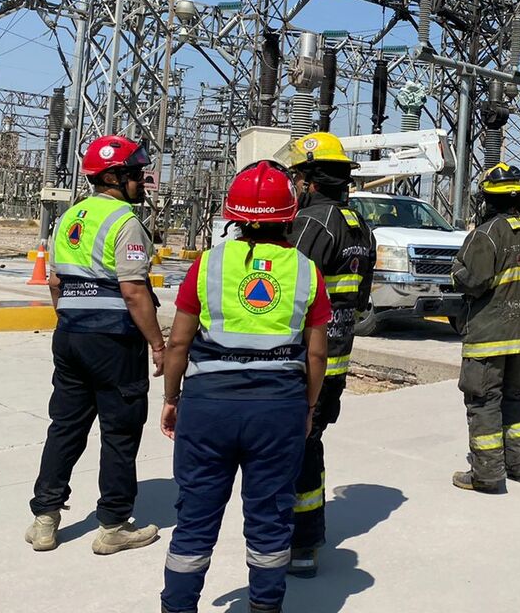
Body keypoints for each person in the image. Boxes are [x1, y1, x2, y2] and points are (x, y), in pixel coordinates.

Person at [159, 161, 330, 613]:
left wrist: (171, 398)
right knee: (271, 520)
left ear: (231, 215)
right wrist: (308, 407)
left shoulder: (207, 265)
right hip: (278, 410)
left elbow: (178, 341)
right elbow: (316, 356)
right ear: (290, 214)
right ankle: (265, 606)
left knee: (194, 520)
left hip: (208, 405)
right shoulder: (306, 272)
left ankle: (177, 607)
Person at [28, 134, 164, 554]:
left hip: (70, 336)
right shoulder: (126, 222)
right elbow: (134, 292)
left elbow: (55, 282)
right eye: (137, 175)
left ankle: (45, 520)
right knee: (120, 432)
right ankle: (113, 525)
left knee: (65, 427)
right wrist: (158, 344)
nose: (144, 181)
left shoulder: (69, 219)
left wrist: (72, 318)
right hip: (115, 343)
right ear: (113, 177)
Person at [281, 132, 374, 577]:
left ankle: (298, 541)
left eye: (298, 177)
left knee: (294, 449)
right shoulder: (359, 225)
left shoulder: (310, 225)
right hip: (336, 358)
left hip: (304, 360)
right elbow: (358, 301)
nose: (295, 186)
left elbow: (286, 291)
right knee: (310, 444)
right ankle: (305, 537)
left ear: (311, 181)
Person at [449, 163, 520, 493]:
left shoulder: (485, 235)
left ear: (488, 199)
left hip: (487, 337)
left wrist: (458, 270)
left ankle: (487, 474)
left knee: (483, 402)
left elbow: (472, 280)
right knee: (513, 397)